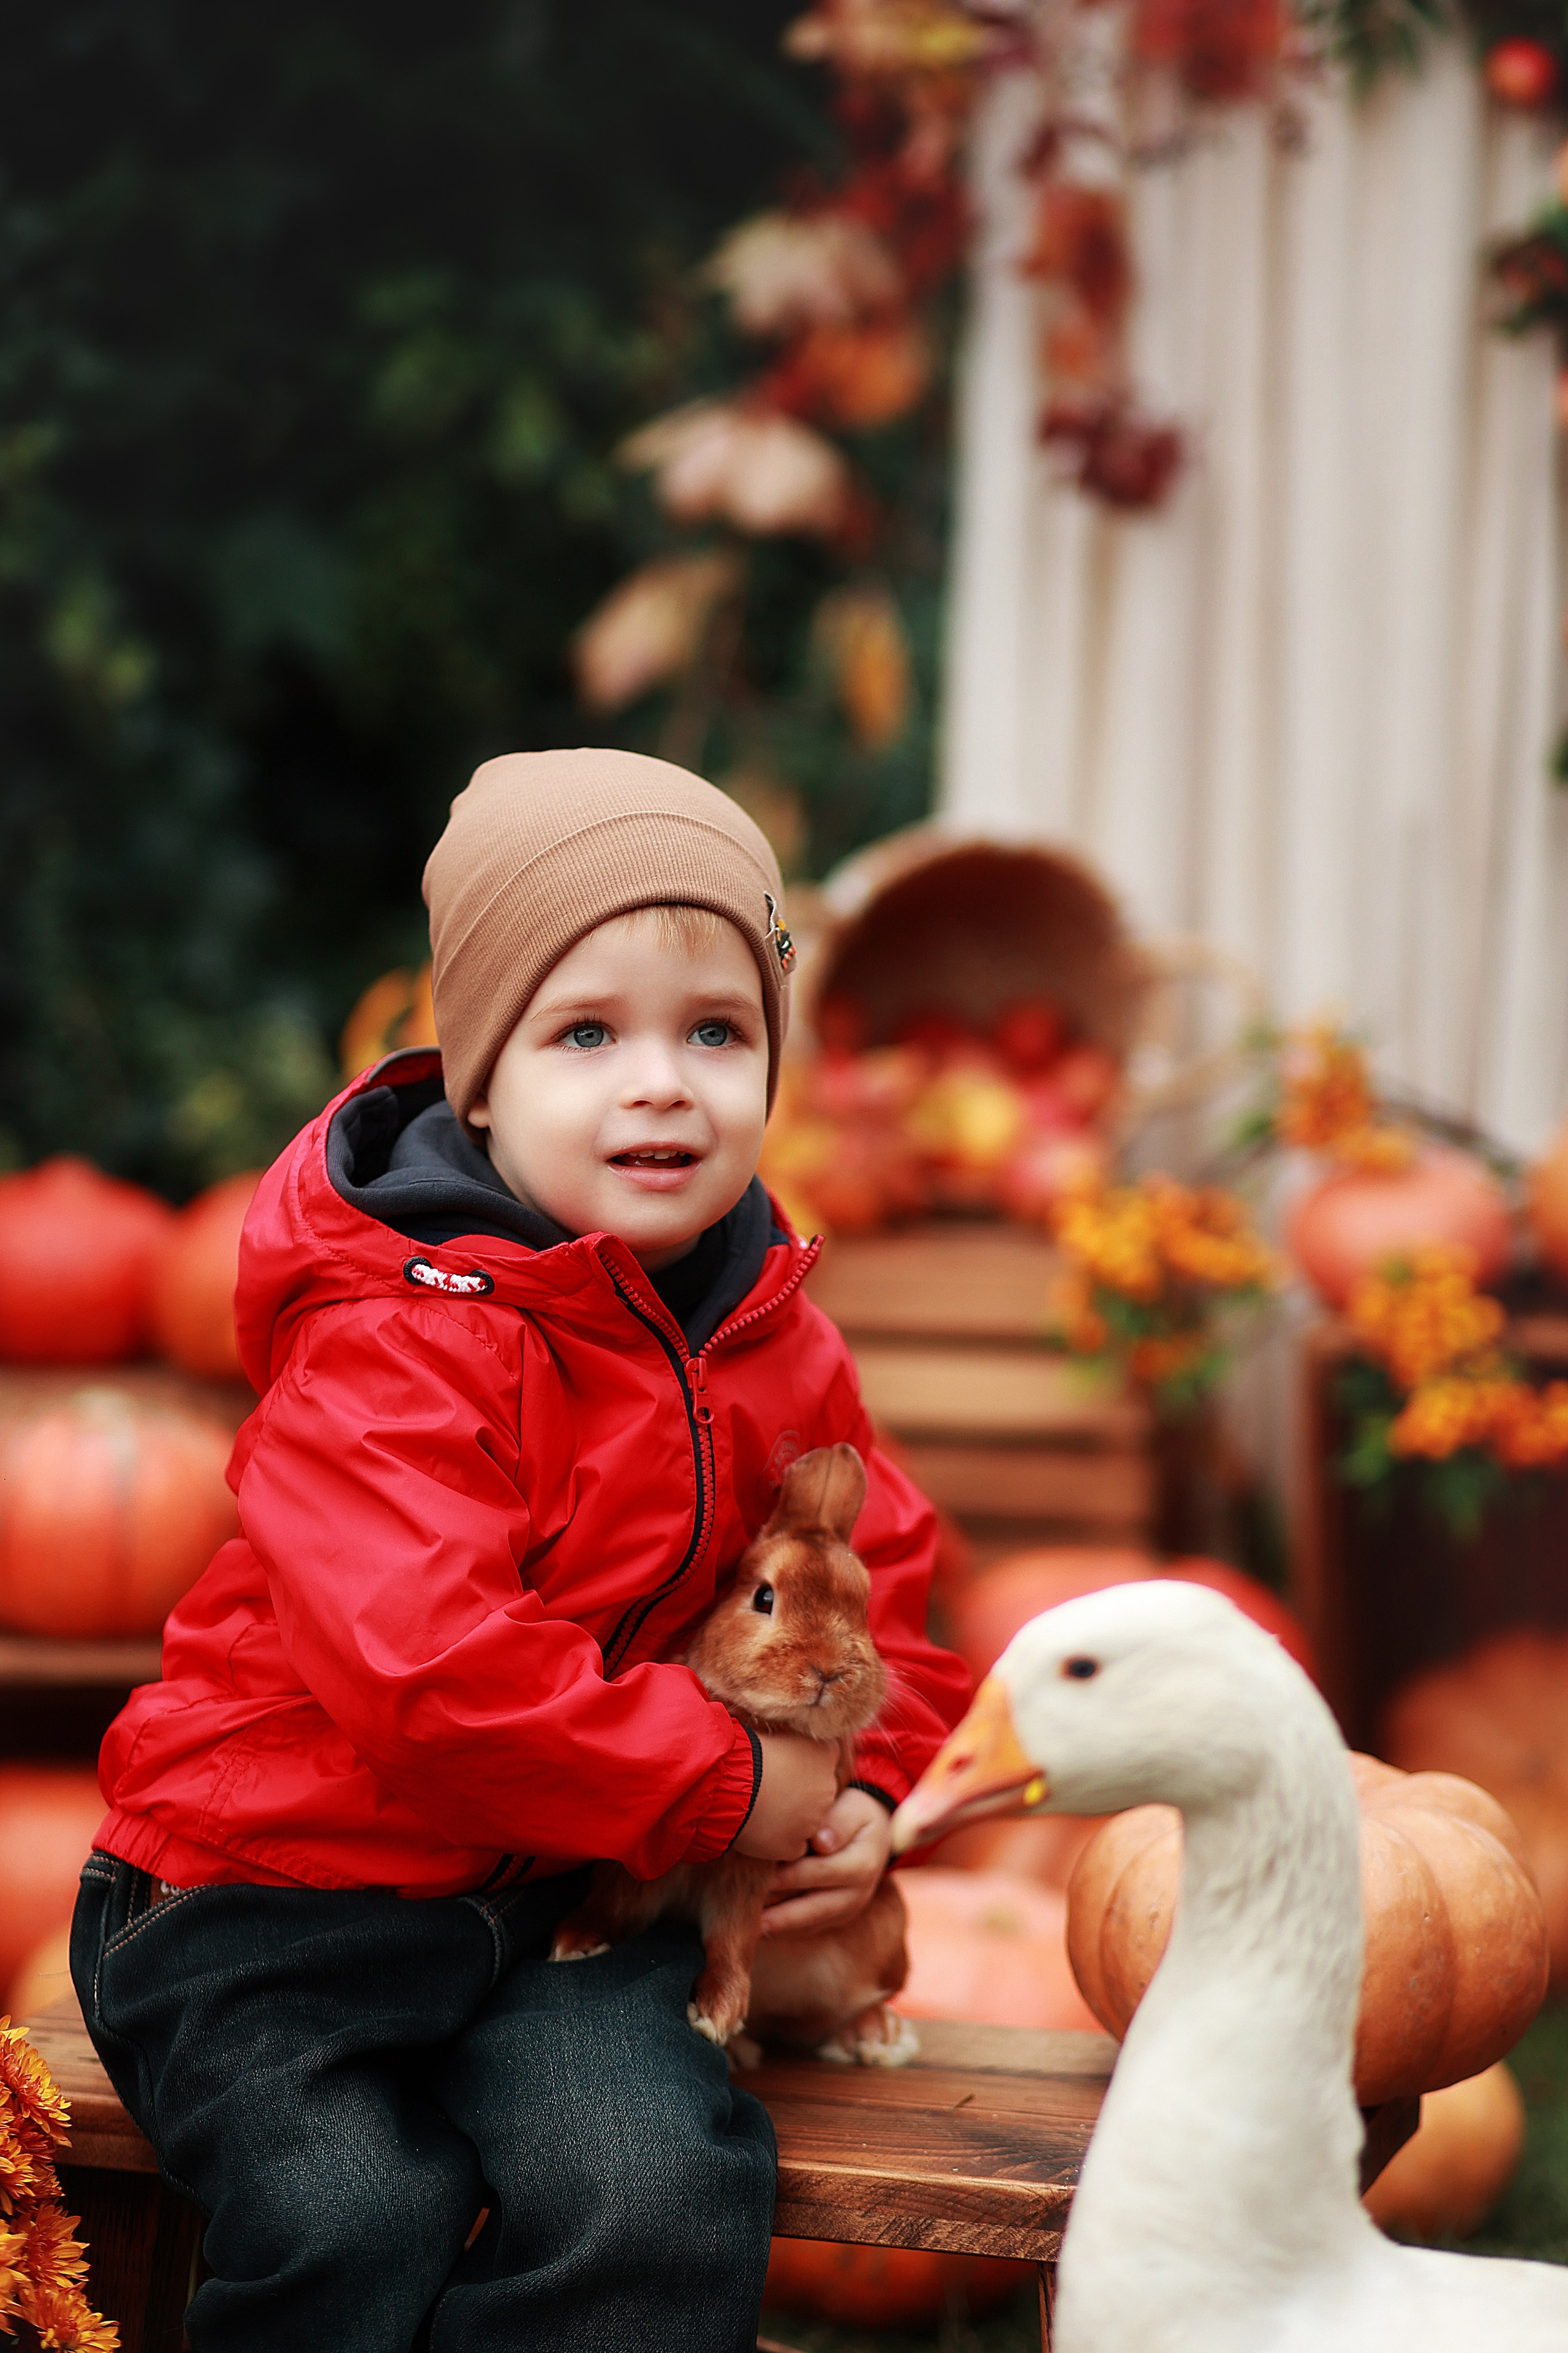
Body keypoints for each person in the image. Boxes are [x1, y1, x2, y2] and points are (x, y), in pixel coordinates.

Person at [71, 747, 971, 2353]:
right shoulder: (395, 1339)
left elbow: (872, 1555)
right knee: (357, 2203)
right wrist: (724, 1783)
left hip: (570, 1904)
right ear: (479, 1078)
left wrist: (869, 1780)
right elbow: (431, 1669)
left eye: (716, 1030)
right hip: (268, 1898)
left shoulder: (768, 1329)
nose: (661, 1081)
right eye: (586, 1033)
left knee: (654, 2193)